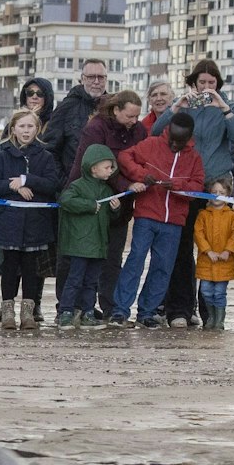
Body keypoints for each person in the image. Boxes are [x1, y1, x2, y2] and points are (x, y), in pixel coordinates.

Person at [151, 60, 234, 327]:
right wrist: (175, 108)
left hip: (216, 187)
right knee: (182, 247)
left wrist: (225, 109)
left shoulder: (229, 106)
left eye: (212, 83)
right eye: (202, 82)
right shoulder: (185, 106)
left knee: (215, 247)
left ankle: (211, 312)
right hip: (186, 185)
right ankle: (180, 310)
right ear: (193, 83)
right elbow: (155, 133)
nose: (207, 87)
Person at [112, 111, 206, 327]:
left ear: (188, 138)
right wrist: (140, 175)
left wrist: (178, 187)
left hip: (174, 220)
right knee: (135, 260)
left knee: (162, 267)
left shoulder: (194, 158)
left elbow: (197, 187)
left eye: (179, 142)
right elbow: (125, 157)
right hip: (147, 214)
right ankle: (120, 310)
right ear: (168, 131)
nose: (174, 145)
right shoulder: (151, 144)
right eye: (172, 139)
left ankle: (147, 312)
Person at [0, 108, 60, 328]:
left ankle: (27, 313)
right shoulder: (3, 154)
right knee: (9, 268)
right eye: (22, 126)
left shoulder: (45, 156)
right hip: (9, 222)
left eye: (30, 126)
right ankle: (7, 311)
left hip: (35, 222)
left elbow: (51, 184)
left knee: (31, 269)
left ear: (37, 129)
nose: (26, 131)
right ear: (13, 128)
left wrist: (27, 180)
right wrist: (14, 187)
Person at [73, 90, 144, 318]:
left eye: (137, 116)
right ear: (116, 110)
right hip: (93, 198)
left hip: (120, 205)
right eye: (130, 116)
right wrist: (126, 185)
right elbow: (96, 166)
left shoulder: (138, 130)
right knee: (86, 257)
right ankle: (80, 306)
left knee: (113, 257)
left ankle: (110, 306)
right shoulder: (96, 128)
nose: (134, 121)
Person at [55, 142, 116, 326]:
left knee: (91, 282)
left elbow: (108, 218)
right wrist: (89, 205)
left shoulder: (106, 189)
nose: (110, 171)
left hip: (98, 245)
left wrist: (115, 209)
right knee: (75, 279)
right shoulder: (77, 186)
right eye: (107, 167)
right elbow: (65, 200)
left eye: (111, 167)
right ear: (93, 168)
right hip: (80, 245)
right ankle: (66, 310)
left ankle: (88, 311)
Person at [45, 60, 109, 181]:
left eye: (100, 77)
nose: (96, 82)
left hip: (105, 186)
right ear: (83, 79)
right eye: (91, 77)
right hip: (71, 185)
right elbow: (50, 150)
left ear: (106, 79)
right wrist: (65, 183)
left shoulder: (113, 109)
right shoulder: (66, 107)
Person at [192, 179, 234, 331]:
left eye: (222, 193)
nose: (218, 196)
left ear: (228, 195)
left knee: (219, 293)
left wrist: (228, 250)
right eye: (214, 193)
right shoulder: (203, 215)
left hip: (224, 262)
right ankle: (211, 316)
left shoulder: (232, 215)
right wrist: (208, 250)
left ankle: (219, 319)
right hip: (207, 260)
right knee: (206, 291)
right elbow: (198, 234)